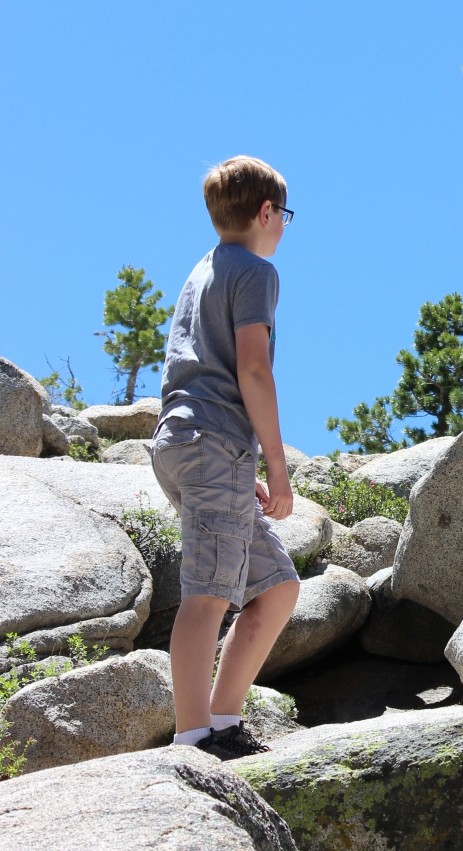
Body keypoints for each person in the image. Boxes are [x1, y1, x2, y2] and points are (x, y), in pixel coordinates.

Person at [151, 155, 301, 760]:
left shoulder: (203, 270)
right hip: (215, 442)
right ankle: (194, 743)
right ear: (266, 212)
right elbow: (254, 369)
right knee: (208, 593)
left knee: (277, 589)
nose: (284, 226)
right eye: (284, 215)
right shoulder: (255, 272)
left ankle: (223, 720)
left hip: (186, 443)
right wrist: (277, 465)